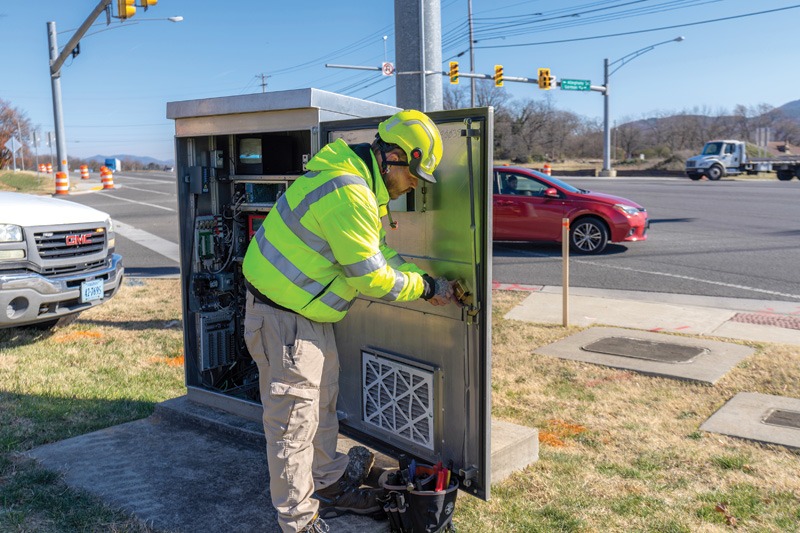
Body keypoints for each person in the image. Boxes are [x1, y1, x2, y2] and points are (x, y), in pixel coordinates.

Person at [242, 109, 458, 533]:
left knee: (321, 406)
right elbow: (372, 277)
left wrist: (426, 279)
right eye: (414, 175)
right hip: (284, 320)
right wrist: (427, 290)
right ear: (393, 157)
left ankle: (328, 480)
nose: (414, 185)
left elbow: (379, 256)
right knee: (292, 425)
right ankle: (298, 520)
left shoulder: (360, 186)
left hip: (305, 316)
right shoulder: (349, 193)